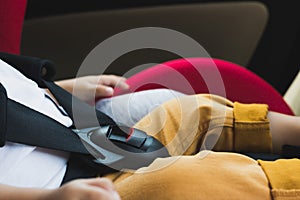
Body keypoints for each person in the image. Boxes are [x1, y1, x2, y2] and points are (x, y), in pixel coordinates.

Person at [0, 55, 300, 200]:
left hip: (79, 139)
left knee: (192, 112)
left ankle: (293, 131)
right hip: (69, 190)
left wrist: (57, 89)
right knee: (183, 183)